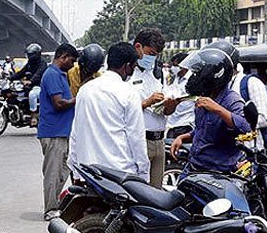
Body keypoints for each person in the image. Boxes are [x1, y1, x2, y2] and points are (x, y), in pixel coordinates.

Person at [69, 43, 148, 179]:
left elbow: (75, 132)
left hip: (88, 172)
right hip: (120, 173)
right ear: (127, 66)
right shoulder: (129, 93)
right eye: (133, 67)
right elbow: (136, 138)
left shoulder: (85, 90)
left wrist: (74, 167)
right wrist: (143, 172)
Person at [169, 48, 251, 174]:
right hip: (194, 167)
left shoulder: (232, 100)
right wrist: (183, 137)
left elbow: (245, 127)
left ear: (212, 76)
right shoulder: (205, 97)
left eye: (197, 74)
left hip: (217, 174)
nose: (193, 78)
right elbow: (203, 131)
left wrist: (218, 109)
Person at [38, 43, 79, 219]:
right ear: (63, 57)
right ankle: (50, 210)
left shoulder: (61, 75)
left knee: (63, 171)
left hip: (62, 132)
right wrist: (79, 98)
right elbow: (59, 103)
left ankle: (55, 204)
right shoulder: (52, 75)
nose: (73, 64)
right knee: (53, 173)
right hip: (53, 132)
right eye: (72, 60)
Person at [129, 27, 168, 187]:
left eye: (156, 55)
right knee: (138, 191)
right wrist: (147, 102)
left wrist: (171, 105)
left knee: (156, 193)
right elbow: (121, 110)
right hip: (139, 141)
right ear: (138, 47)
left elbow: (167, 111)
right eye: (150, 53)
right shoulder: (127, 73)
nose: (152, 58)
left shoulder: (159, 73)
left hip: (160, 141)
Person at [165, 52, 196, 139]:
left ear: (184, 66)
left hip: (185, 123)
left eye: (176, 66)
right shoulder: (175, 78)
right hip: (172, 122)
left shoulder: (192, 80)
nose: (173, 68)